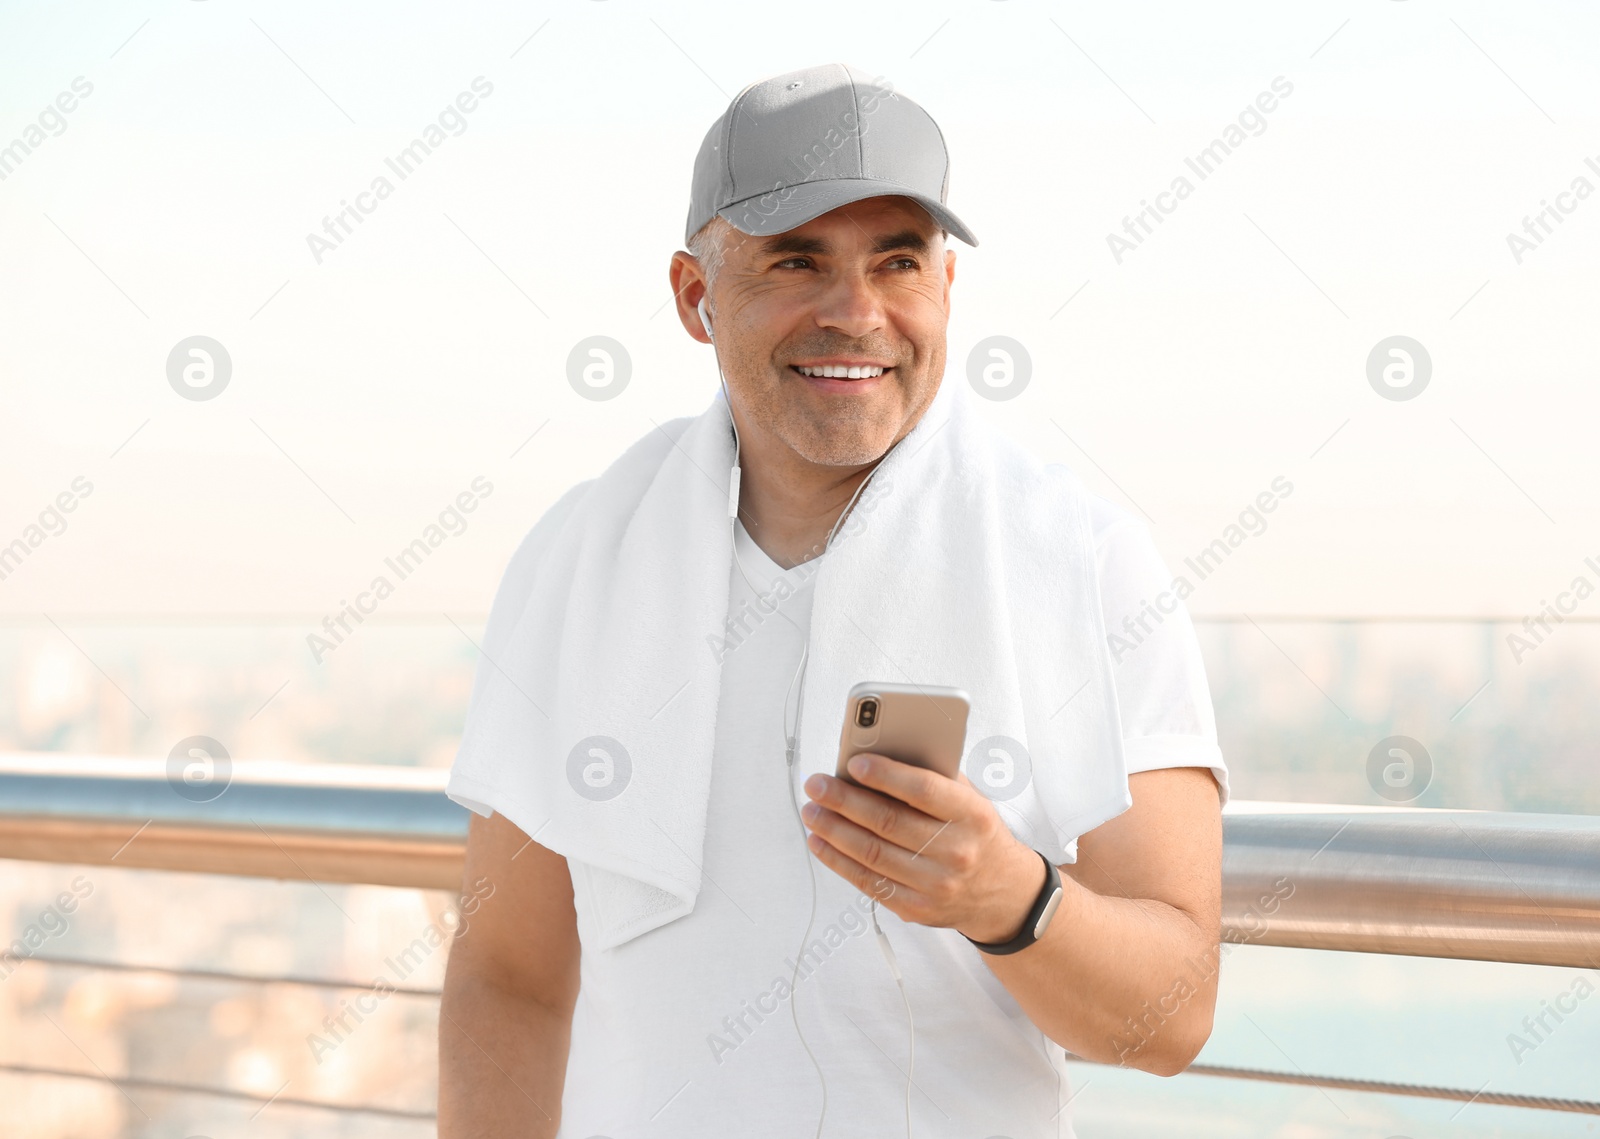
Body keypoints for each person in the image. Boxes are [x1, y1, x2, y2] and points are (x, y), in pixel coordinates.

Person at [439, 63, 1227, 1138]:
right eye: (795, 261)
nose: (855, 313)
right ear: (692, 295)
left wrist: (1007, 896)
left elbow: (1173, 1018)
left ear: (945, 290)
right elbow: (508, 974)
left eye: (896, 261)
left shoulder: (1086, 564)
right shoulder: (576, 558)